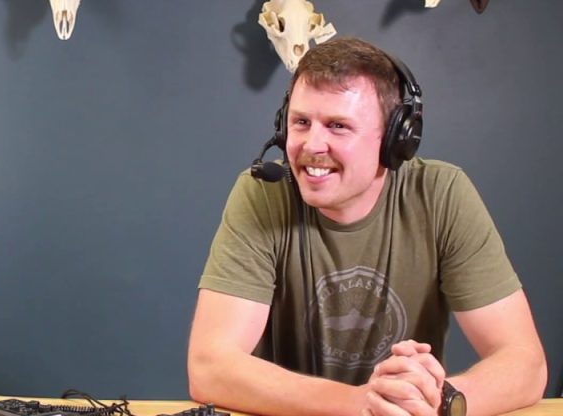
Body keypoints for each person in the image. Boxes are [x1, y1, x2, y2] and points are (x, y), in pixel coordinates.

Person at [188, 37, 546, 416]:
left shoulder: (442, 195)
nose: (312, 144)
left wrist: (435, 401)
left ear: (395, 140)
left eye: (338, 126)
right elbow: (210, 367)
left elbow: (526, 364)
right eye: (301, 122)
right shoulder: (263, 193)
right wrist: (362, 404)